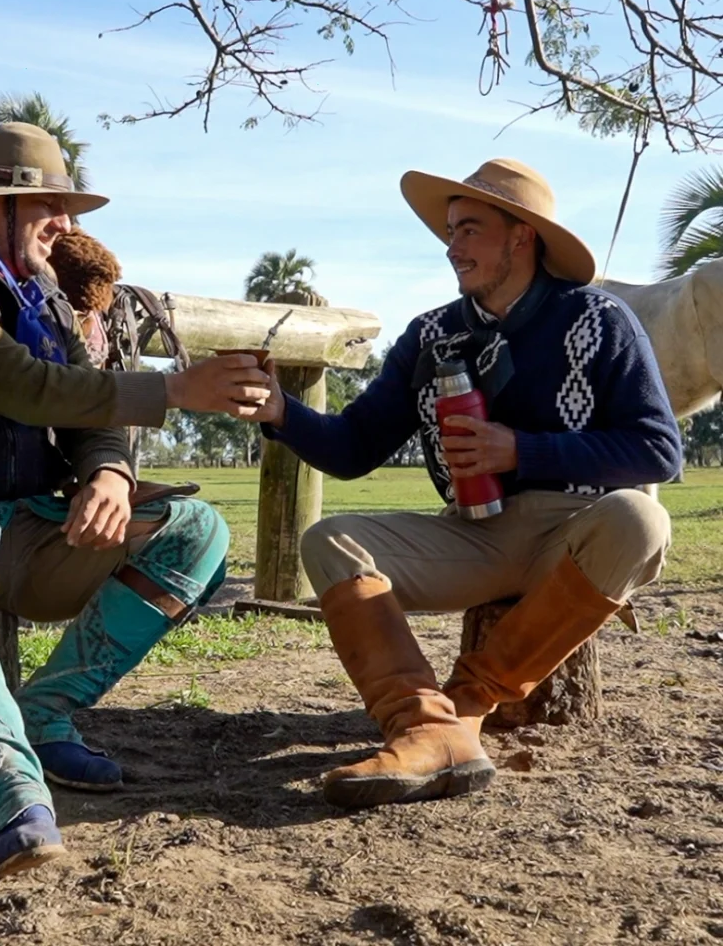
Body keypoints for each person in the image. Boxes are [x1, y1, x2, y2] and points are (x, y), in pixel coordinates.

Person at [0, 122, 271, 878]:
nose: (67, 225)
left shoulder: (44, 299)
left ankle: (44, 711)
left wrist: (109, 474)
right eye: (50, 203)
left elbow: (89, 412)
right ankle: (13, 795)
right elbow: (19, 383)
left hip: (27, 528)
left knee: (196, 529)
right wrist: (176, 387)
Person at [249, 158, 682, 809]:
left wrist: (521, 450)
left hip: (572, 533)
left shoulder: (599, 319)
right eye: (449, 232)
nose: (452, 248)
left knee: (643, 522)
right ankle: (421, 725)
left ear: (522, 235)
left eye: (469, 230)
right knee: (331, 540)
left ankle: (467, 705)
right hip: (472, 534)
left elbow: (658, 451)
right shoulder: (430, 335)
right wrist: (279, 411)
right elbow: (352, 448)